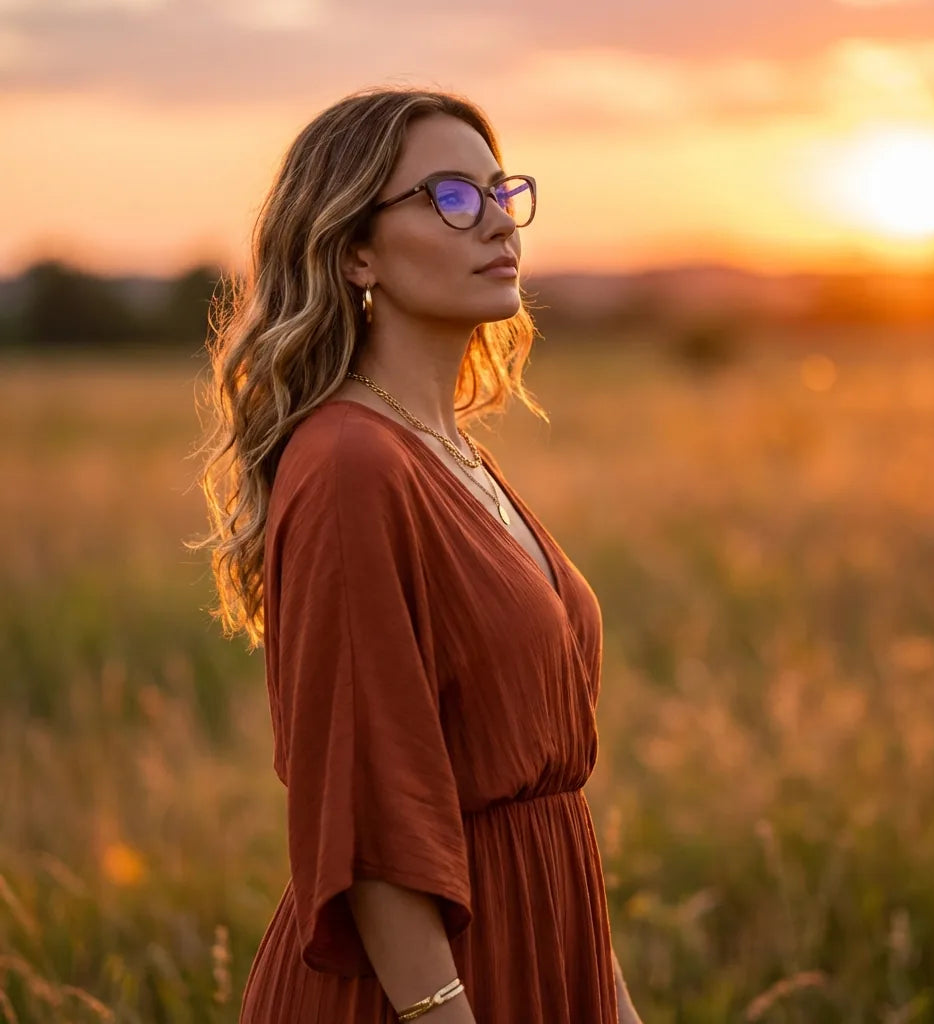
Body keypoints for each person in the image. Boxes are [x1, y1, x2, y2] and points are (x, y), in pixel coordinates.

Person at [190, 86, 643, 1023]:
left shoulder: (454, 451)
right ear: (355, 249)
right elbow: (369, 800)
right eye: (449, 197)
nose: (496, 226)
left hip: (537, 951)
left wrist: (608, 1000)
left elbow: (549, 815)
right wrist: (443, 1011)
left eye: (500, 192)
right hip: (420, 988)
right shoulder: (352, 463)